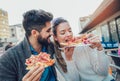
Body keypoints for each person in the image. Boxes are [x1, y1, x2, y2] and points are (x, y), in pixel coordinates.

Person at [0, 9, 57, 81]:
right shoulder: (8, 59)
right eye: (48, 30)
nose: (51, 33)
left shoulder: (53, 47)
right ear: (34, 33)